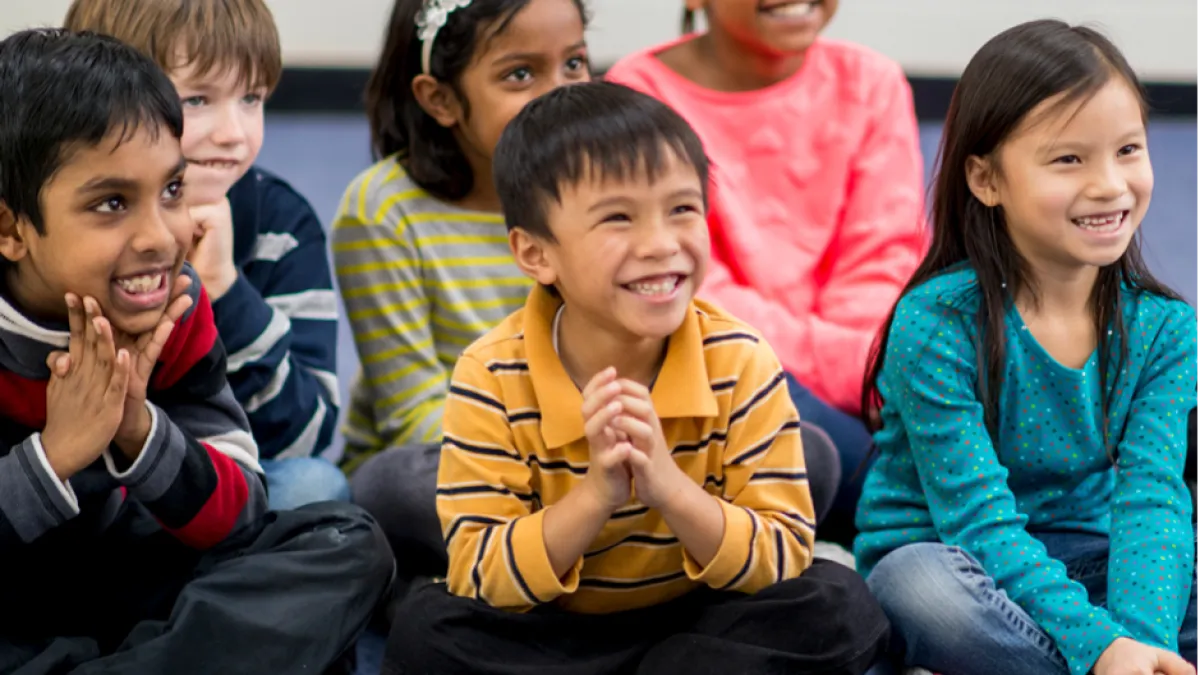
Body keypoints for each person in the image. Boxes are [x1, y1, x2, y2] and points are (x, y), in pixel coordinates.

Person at [383, 81, 890, 675]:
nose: (660, 244)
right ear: (535, 253)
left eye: (682, 208)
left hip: (698, 618)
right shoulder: (490, 372)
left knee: (837, 602)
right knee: (427, 628)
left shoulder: (740, 356)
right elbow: (483, 572)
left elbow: (778, 555)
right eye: (618, 218)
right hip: (552, 631)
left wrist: (667, 487)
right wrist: (597, 494)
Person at [0, 29, 393, 674]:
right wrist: (54, 457)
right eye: (111, 203)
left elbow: (239, 512)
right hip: (19, 601)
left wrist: (137, 428)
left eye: (173, 191)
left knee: (344, 541)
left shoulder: (171, 306)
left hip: (134, 586)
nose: (159, 236)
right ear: (12, 228)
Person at [853, 20, 1199, 675]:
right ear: (985, 179)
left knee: (1169, 562)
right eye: (1068, 159)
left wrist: (1143, 639)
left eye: (1128, 149)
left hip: (1091, 555)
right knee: (926, 592)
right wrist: (1100, 647)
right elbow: (976, 523)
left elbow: (1152, 499)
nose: (1109, 184)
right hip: (952, 557)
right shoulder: (936, 320)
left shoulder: (1166, 327)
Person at [604, 0, 927, 545]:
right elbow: (688, 289)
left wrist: (880, 377)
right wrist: (874, 376)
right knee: (893, 471)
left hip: (866, 375)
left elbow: (884, 262)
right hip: (722, 373)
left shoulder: (872, 82)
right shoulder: (637, 91)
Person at [331, 0, 591, 573]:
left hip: (593, 446)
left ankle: (571, 552)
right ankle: (606, 550)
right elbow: (413, 413)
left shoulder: (598, 188)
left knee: (799, 443)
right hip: (460, 453)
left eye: (574, 63)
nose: (559, 94)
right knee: (390, 485)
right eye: (520, 74)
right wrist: (570, 458)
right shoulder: (382, 210)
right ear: (439, 99)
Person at [64, 0, 347, 511]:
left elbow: (307, 436)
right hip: (88, 488)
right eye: (197, 100)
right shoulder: (69, 221)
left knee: (315, 489)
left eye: (251, 98)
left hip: (215, 489)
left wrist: (226, 290)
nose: (234, 133)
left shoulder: (284, 224)